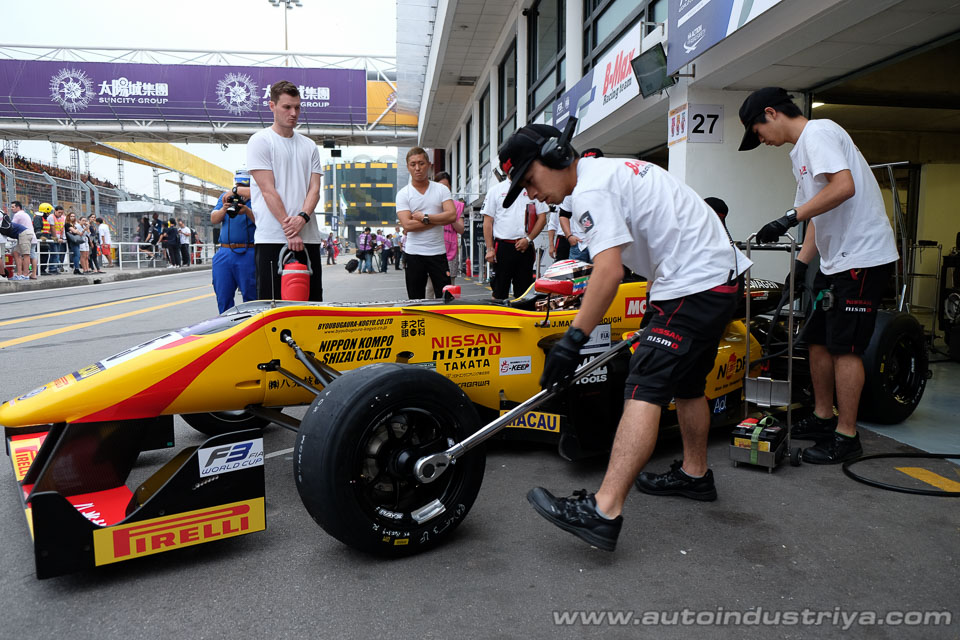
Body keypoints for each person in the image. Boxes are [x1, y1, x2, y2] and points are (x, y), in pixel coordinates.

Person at [495, 122, 750, 551]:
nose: (531, 194)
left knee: (643, 387)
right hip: (710, 280)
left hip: (695, 284)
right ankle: (695, 474)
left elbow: (610, 272)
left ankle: (603, 510)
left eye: (530, 179)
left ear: (556, 157)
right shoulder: (603, 175)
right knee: (687, 384)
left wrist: (573, 340)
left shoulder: (593, 190)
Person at [738, 87, 899, 464]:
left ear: (771, 113)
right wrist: (798, 269)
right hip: (834, 260)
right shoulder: (802, 154)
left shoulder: (819, 132)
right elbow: (816, 214)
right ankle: (823, 417)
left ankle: (847, 436)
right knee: (815, 340)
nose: (761, 141)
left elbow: (844, 187)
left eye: (757, 132)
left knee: (845, 347)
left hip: (861, 257)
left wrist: (787, 218)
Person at [247, 80, 323, 301]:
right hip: (272, 238)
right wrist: (290, 230)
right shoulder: (260, 141)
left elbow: (315, 189)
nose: (293, 113)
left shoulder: (309, 146)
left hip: (308, 238)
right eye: (287, 107)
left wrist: (302, 218)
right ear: (272, 106)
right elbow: (268, 190)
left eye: (297, 107)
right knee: (273, 310)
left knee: (311, 308)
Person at [481, 146, 548, 301]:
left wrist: (528, 239)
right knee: (499, 291)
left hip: (525, 247)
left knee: (524, 292)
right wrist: (490, 249)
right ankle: (498, 323)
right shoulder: (496, 191)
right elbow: (488, 222)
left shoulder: (532, 187)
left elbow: (542, 218)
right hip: (503, 248)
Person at [395, 148, 457, 298]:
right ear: (408, 166)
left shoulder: (441, 189)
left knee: (446, 299)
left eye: (421, 163)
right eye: (413, 164)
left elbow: (452, 215)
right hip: (413, 254)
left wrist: (425, 217)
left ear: (429, 164)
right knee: (415, 301)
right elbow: (407, 226)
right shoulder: (403, 194)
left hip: (438, 253)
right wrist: (438, 219)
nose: (417, 168)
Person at [211, 169, 257, 312]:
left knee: (252, 298)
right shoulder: (225, 198)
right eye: (238, 184)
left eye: (244, 185)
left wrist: (247, 211)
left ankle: (252, 329)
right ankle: (227, 329)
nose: (240, 189)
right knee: (223, 296)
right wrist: (224, 209)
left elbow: (263, 222)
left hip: (248, 252)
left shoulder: (257, 199)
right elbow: (214, 219)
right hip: (225, 252)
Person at [558, 148, 603, 263]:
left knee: (602, 279)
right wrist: (569, 236)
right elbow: (563, 214)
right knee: (576, 280)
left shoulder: (608, 186)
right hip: (579, 245)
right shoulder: (574, 187)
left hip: (601, 245)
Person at [434, 171, 466, 285]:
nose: (443, 189)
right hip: (432, 249)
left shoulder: (456, 206)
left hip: (450, 252)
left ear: (450, 187)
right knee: (430, 287)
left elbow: (461, 230)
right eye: (440, 186)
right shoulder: (429, 204)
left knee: (449, 286)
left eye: (446, 186)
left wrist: (451, 216)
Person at [10, 202, 37, 280]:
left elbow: (11, 225)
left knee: (26, 255)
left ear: (18, 207)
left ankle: (24, 274)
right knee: (32, 255)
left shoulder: (18, 215)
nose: (11, 209)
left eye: (13, 207)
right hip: (32, 236)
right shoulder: (25, 214)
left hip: (25, 236)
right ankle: (33, 274)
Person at [48, 205, 67, 273]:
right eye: (59, 212)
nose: (60, 214)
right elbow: (52, 228)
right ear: (55, 211)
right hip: (53, 237)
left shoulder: (63, 218)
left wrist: (61, 237)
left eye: (61, 213)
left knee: (57, 253)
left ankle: (54, 268)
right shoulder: (51, 217)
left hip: (59, 238)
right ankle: (52, 268)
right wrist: (56, 238)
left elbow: (62, 228)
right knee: (55, 253)